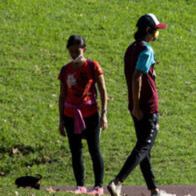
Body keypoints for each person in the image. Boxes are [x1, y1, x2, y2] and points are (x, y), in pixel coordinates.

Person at [107, 14, 174, 196]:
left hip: (135, 104)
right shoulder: (147, 50)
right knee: (144, 145)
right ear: (148, 30)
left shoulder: (130, 49)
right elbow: (137, 76)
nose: (157, 33)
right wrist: (138, 106)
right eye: (156, 29)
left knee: (144, 149)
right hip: (147, 106)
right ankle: (118, 181)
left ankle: (154, 191)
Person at [58, 35, 108, 195]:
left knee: (94, 150)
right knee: (76, 151)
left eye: (77, 50)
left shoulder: (93, 66)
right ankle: (80, 185)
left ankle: (98, 186)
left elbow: (103, 91)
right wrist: (60, 120)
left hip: (90, 114)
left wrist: (104, 115)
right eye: (71, 51)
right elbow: (62, 95)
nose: (73, 53)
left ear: (84, 49)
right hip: (70, 115)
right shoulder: (65, 70)